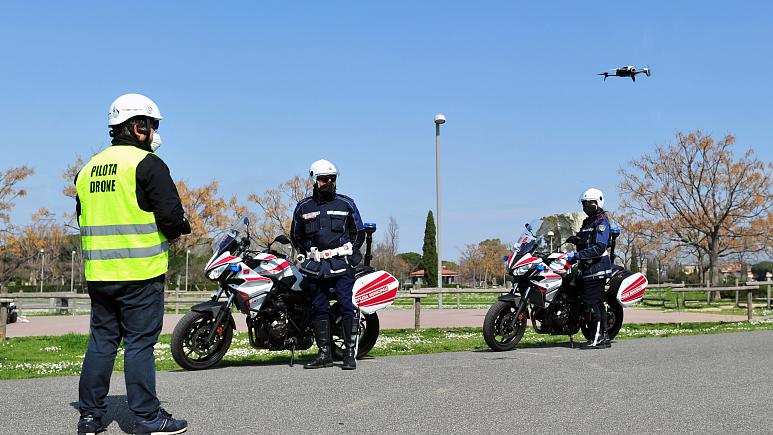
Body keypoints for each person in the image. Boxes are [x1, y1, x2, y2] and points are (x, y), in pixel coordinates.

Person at [75, 93, 190, 435]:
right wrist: (177, 229)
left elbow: (84, 217)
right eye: (152, 126)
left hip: (99, 275)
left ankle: (90, 417)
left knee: (101, 343)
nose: (154, 133)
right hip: (140, 273)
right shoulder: (147, 165)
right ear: (137, 126)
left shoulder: (88, 169)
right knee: (139, 344)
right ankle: (147, 417)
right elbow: (171, 215)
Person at [290, 159, 365, 370]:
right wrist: (308, 252)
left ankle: (350, 354)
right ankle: (324, 354)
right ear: (315, 180)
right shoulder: (304, 207)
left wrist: (350, 255)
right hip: (315, 267)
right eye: (324, 179)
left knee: (345, 305)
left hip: (342, 264)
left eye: (332, 179)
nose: (329, 182)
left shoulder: (346, 203)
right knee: (319, 307)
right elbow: (296, 235)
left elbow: (358, 233)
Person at [565, 188, 612, 350]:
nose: (587, 206)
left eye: (590, 203)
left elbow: (599, 247)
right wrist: (576, 240)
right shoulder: (588, 222)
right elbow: (585, 241)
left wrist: (576, 256)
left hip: (596, 269)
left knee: (592, 303)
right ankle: (601, 336)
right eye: (585, 204)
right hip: (586, 270)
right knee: (587, 301)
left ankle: (598, 338)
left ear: (598, 202)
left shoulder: (601, 222)